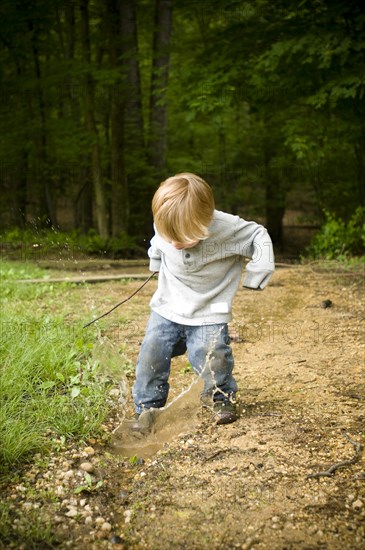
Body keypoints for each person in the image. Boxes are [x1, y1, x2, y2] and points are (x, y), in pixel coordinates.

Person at [131, 172, 274, 429]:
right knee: (152, 351)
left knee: (212, 354)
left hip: (210, 308)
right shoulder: (167, 222)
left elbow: (258, 235)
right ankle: (147, 408)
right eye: (169, 236)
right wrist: (155, 259)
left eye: (183, 238)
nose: (175, 244)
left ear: (206, 220)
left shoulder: (228, 229)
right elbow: (157, 241)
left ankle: (220, 397)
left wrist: (259, 269)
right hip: (168, 304)